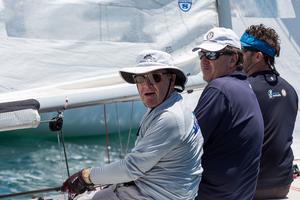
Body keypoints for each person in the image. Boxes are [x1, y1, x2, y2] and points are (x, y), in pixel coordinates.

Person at [61, 49, 204, 200]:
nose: (146, 85)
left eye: (155, 77)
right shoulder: (170, 107)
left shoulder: (169, 118)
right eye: (140, 79)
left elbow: (131, 169)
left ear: (172, 79)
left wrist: (86, 177)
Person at [192, 27, 264, 200]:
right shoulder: (244, 87)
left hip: (211, 195)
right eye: (202, 54)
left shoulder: (219, 88)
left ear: (232, 59)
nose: (204, 61)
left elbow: (186, 143)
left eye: (211, 55)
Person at [240, 24, 299, 199]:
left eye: (243, 51)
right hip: (284, 184)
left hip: (253, 186)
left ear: (258, 56)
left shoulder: (244, 89)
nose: (238, 56)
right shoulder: (290, 90)